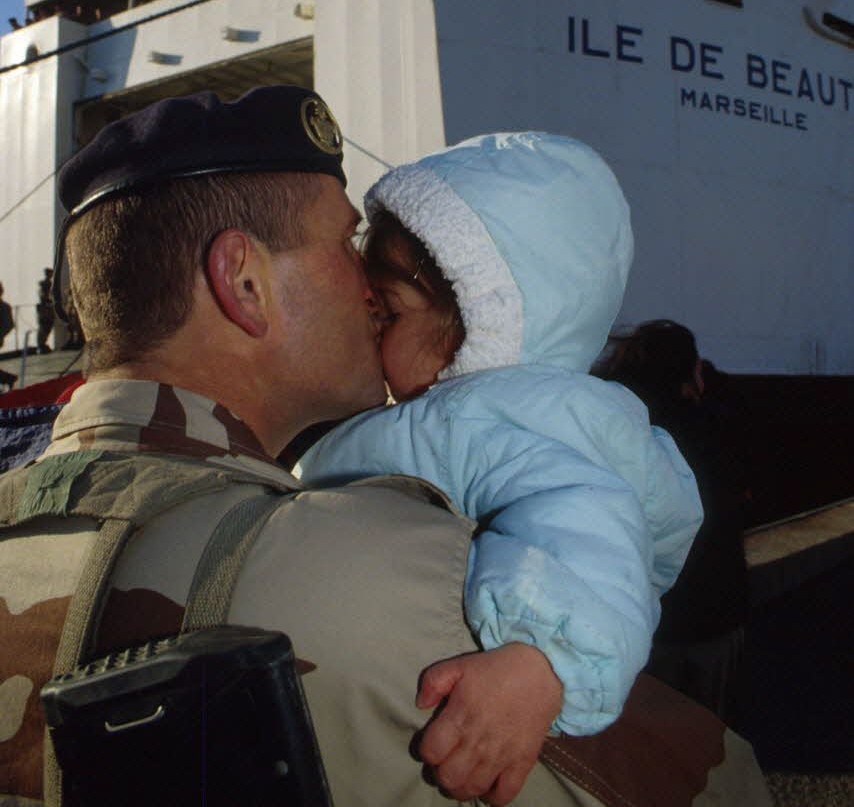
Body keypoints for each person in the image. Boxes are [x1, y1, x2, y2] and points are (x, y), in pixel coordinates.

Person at [0, 92, 771, 807]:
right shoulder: (391, 575)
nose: (369, 286)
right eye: (346, 245)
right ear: (243, 283)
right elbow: (722, 784)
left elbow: (581, 514)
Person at [297, 132, 703, 742]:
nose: (373, 326)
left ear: (479, 323)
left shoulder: (483, 420)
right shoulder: (492, 412)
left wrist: (542, 661)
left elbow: (584, 516)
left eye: (390, 311)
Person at [594, 320, 750, 726]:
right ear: (692, 369)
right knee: (706, 733)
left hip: (643, 615)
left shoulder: (619, 425)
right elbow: (746, 490)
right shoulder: (716, 426)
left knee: (641, 740)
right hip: (713, 612)